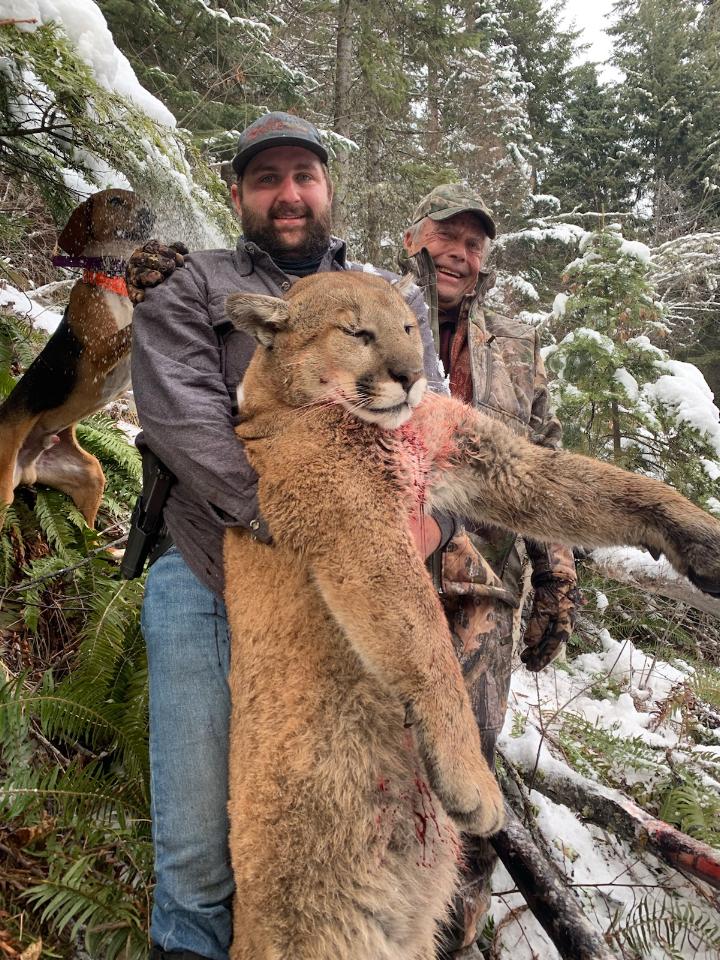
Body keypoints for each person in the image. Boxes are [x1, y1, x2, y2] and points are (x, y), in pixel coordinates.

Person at [129, 112, 450, 960]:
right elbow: (180, 420)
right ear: (237, 194)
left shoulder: (386, 295)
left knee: (337, 822)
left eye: (303, 174)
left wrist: (433, 519)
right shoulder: (196, 287)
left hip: (340, 592)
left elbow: (441, 425)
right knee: (198, 849)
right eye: (267, 178)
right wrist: (298, 520)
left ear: (328, 187)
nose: (289, 194)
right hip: (205, 572)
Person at [402, 184, 582, 958]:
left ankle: (452, 935)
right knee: (384, 755)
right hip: (391, 572)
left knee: (469, 762)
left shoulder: (515, 344)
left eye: (475, 245)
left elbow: (544, 466)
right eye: (448, 235)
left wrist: (558, 579)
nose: (460, 253)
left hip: (485, 591)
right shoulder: (372, 310)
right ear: (416, 236)